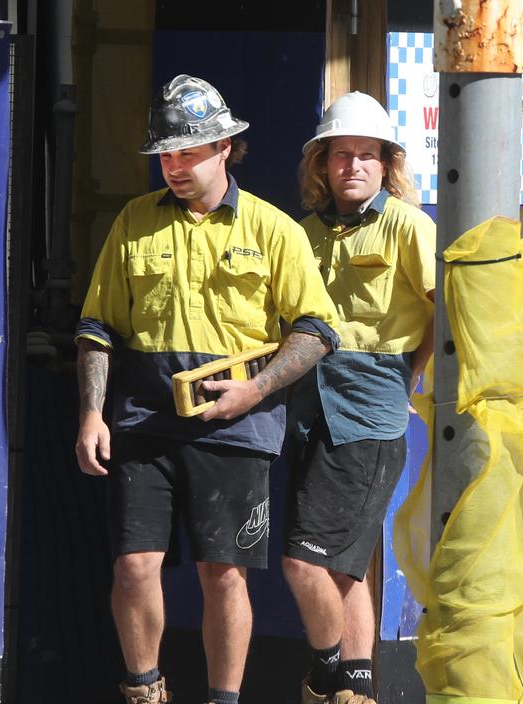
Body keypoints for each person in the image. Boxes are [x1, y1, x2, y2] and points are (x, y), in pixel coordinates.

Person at [74, 74, 340, 704]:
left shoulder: (276, 231)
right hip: (144, 419)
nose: (173, 165)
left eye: (187, 152)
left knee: (223, 573)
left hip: (237, 426)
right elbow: (96, 326)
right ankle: (144, 690)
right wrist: (91, 414)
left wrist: (255, 391)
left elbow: (317, 328)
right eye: (165, 153)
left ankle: (224, 699)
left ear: (225, 147)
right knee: (134, 565)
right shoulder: (133, 222)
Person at [282, 91, 435, 704]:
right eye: (340, 154)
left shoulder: (406, 223)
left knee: (303, 560)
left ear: (387, 164)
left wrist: (411, 377)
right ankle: (357, 689)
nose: (353, 166)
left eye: (366, 155)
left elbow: (448, 309)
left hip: (370, 404)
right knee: (343, 568)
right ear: (321, 164)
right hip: (306, 404)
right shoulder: (303, 232)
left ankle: (324, 673)